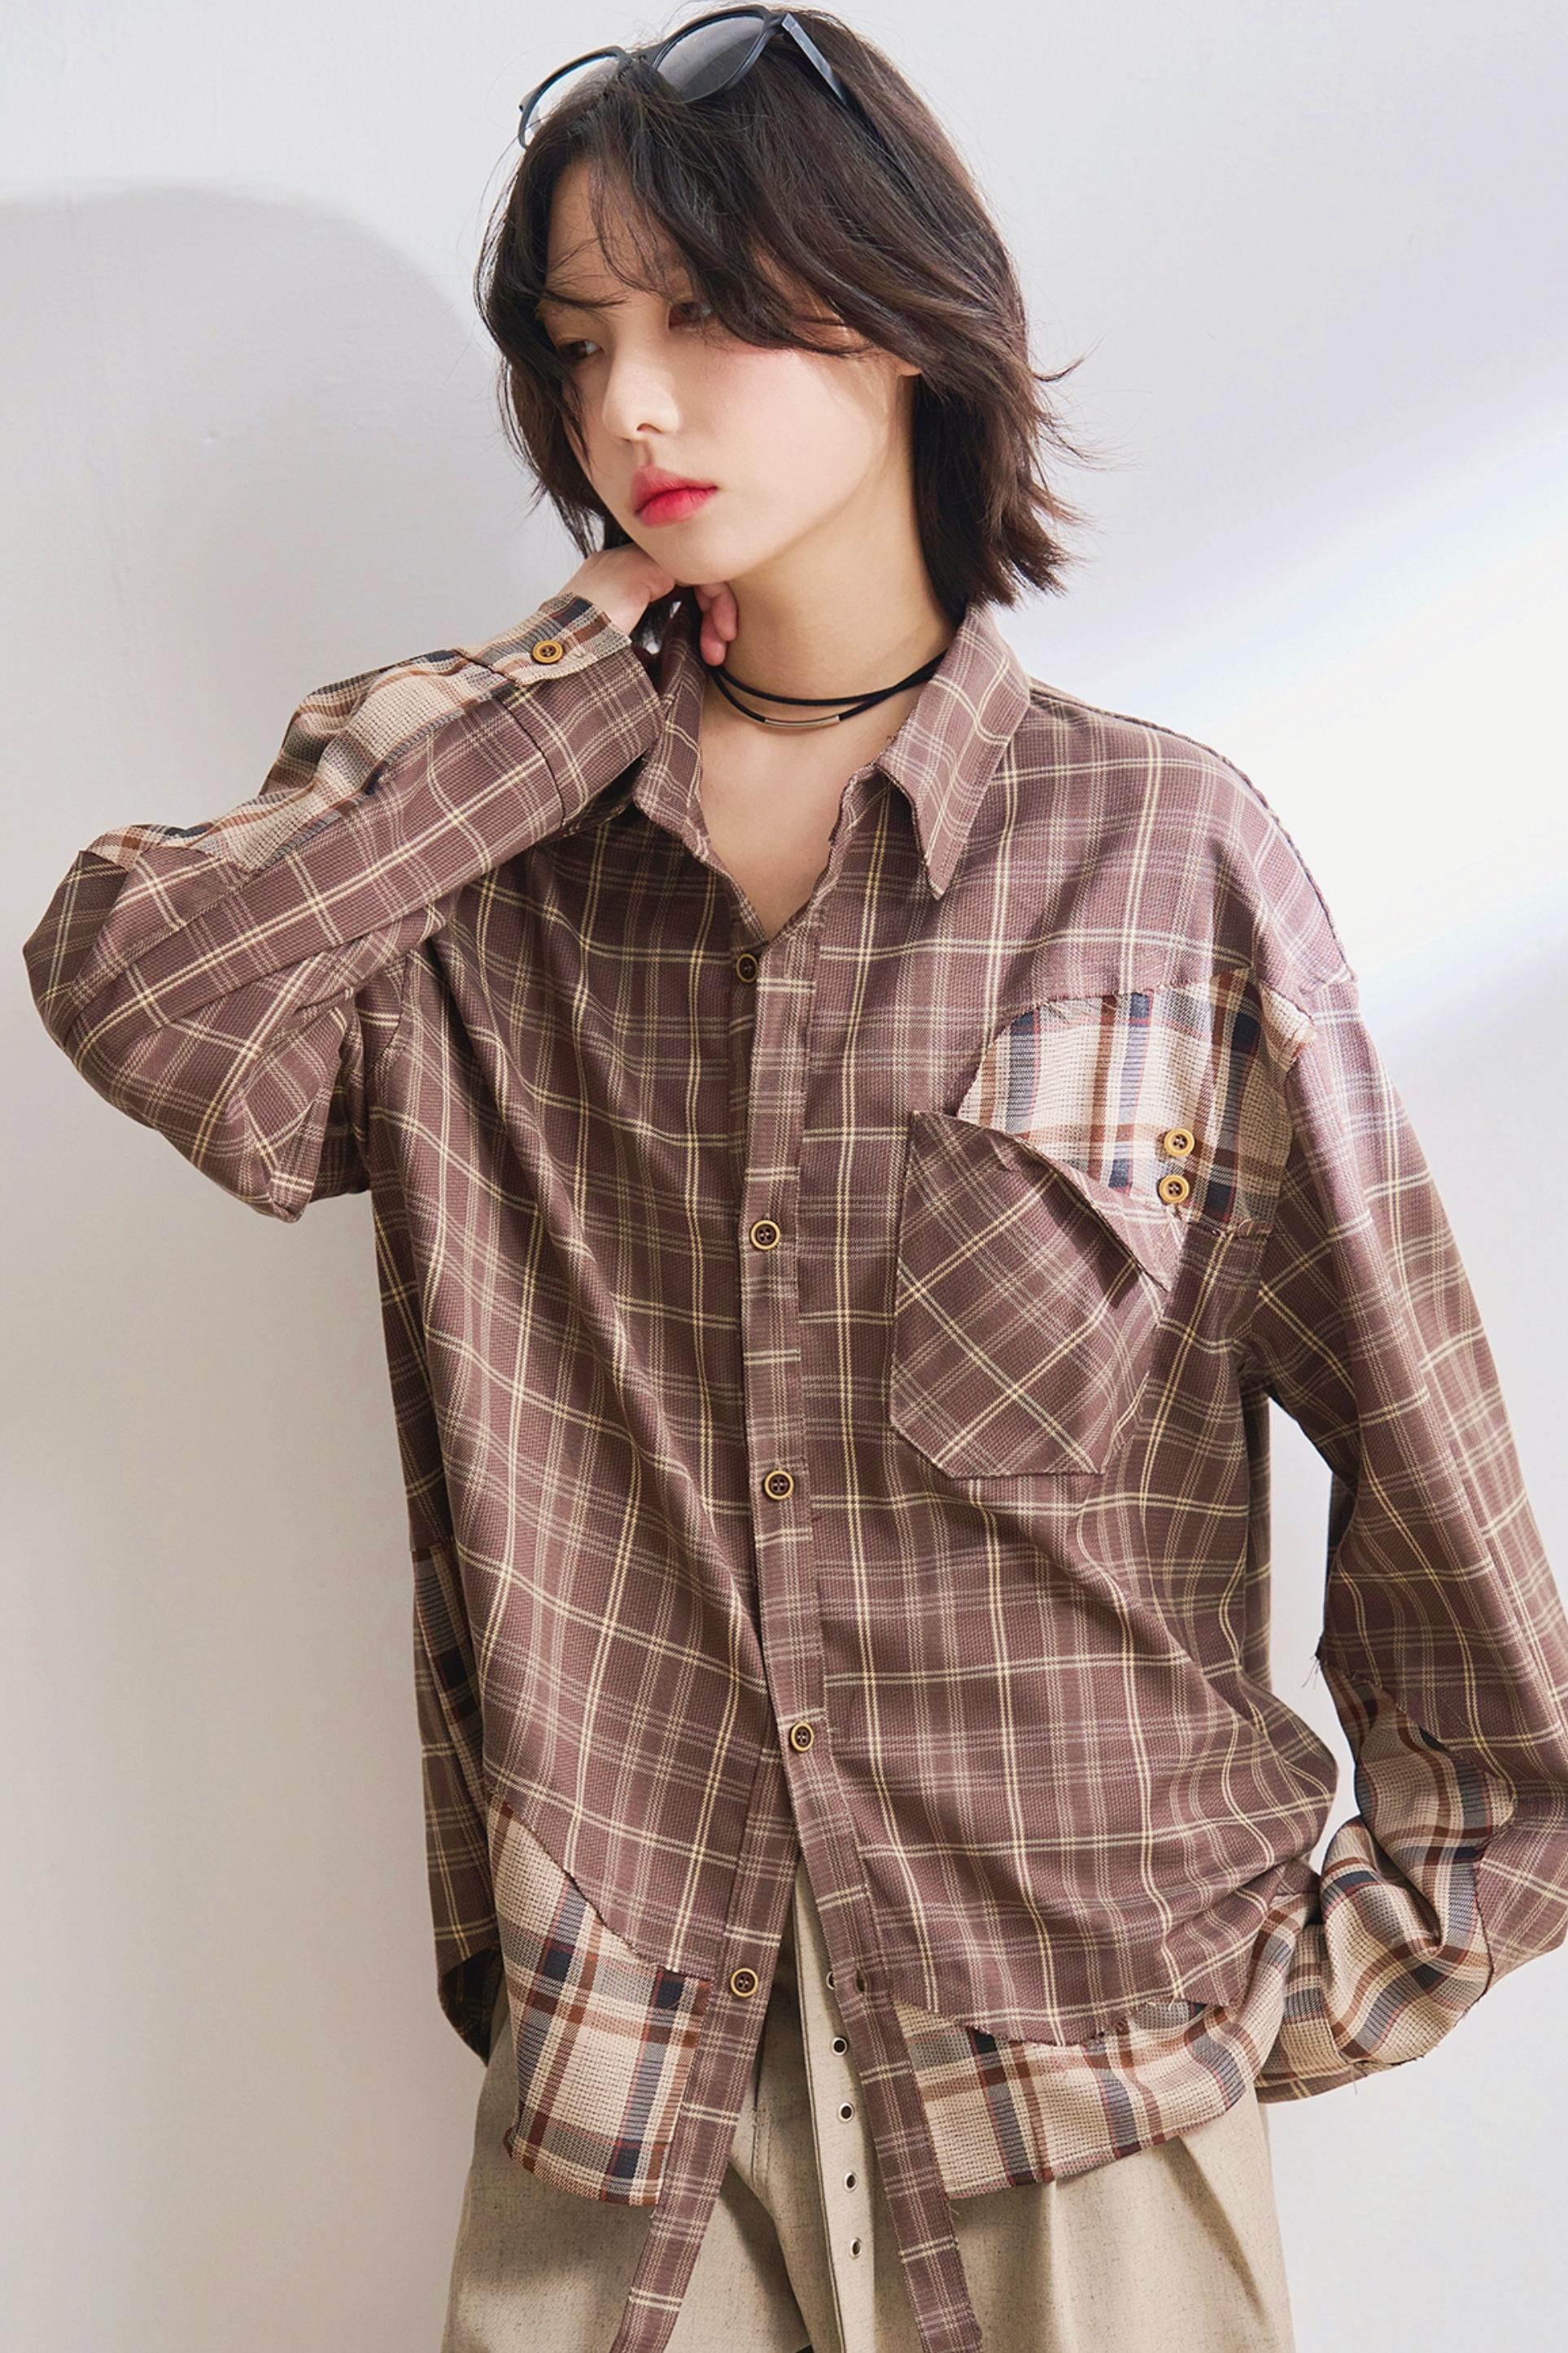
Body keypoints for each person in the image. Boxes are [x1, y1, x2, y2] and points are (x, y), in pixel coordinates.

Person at [21, 11, 1568, 2353]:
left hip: (1086, 2101)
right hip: (627, 2102)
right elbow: (144, 986)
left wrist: (1302, 1986)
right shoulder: (480, 890)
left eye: (708, 317)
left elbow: (1434, 1470)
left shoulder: (1159, 859)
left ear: (906, 322)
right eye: (579, 344)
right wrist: (563, 685)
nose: (630, 408)